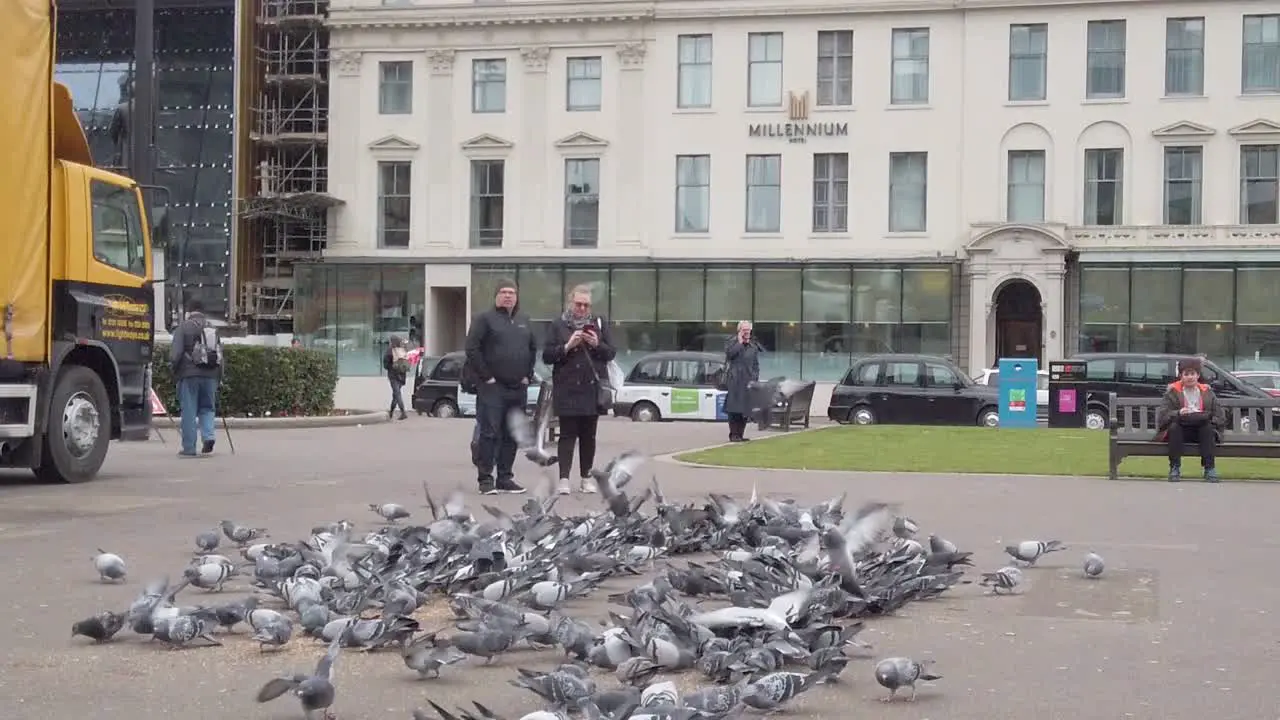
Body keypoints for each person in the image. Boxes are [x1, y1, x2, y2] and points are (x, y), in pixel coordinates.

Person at [464, 278, 536, 495]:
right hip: (492, 388)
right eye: (503, 292)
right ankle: (486, 479)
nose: (508, 296)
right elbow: (472, 349)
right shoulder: (484, 319)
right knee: (489, 433)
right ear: (496, 296)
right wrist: (487, 377)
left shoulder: (524, 320)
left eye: (511, 292)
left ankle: (505, 478)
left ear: (517, 297)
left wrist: (528, 375)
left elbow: (532, 349)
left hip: (518, 388)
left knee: (511, 434)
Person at [543, 285, 615, 495]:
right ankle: (564, 478)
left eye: (586, 305)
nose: (582, 308)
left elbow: (611, 353)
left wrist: (596, 344)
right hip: (567, 388)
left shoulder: (599, 324)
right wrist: (567, 346)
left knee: (588, 436)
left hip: (591, 389)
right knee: (567, 435)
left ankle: (586, 478)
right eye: (578, 304)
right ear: (570, 303)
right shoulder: (558, 325)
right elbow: (547, 356)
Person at [1156, 357, 1224, 483]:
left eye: (1192, 373)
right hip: (1180, 431)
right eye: (1186, 374)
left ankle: (1209, 469)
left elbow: (1219, 416)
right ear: (1181, 376)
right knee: (1175, 428)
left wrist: (1207, 417)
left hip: (1201, 431)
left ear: (1198, 375)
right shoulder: (1172, 392)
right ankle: (1174, 468)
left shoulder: (1207, 392)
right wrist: (1178, 412)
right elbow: (1162, 417)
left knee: (1207, 428)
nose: (1189, 377)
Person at [169, 299, 221, 458]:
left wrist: (173, 369)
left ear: (189, 311)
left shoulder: (183, 327)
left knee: (189, 411)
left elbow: (175, 354)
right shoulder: (212, 328)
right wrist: (219, 378)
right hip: (210, 375)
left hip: (189, 375)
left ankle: (189, 448)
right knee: (207, 408)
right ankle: (209, 437)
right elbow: (219, 355)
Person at [723, 320, 761, 442]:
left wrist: (754, 377)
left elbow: (755, 364)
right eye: (744, 330)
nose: (747, 332)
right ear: (739, 331)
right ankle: (733, 434)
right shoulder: (732, 342)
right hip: (735, 381)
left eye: (748, 330)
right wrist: (739, 343)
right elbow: (729, 355)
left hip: (748, 382)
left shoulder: (753, 347)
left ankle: (740, 434)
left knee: (745, 409)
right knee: (734, 409)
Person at [382, 335, 409, 421]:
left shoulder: (390, 351)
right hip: (402, 375)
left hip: (393, 376)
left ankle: (403, 412)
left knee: (397, 394)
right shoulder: (402, 350)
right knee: (395, 395)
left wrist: (390, 367)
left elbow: (385, 365)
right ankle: (391, 412)